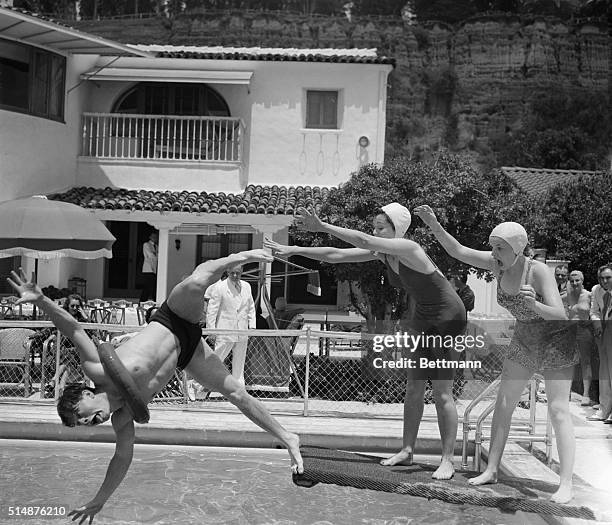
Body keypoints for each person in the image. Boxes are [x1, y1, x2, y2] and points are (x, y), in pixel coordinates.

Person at [7, 250, 303, 523]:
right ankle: (289, 438)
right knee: (236, 393)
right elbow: (122, 457)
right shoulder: (122, 419)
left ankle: (242, 256)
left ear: (85, 393)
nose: (85, 422)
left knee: (198, 280)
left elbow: (73, 328)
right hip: (188, 354)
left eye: (79, 414)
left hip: (172, 318)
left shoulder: (95, 368)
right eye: (81, 425)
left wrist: (40, 300)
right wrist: (99, 500)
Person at [265, 203, 466, 480]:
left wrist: (323, 226)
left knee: (442, 391)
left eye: (380, 228)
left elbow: (361, 239)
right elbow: (336, 254)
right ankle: (407, 450)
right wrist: (293, 250)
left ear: (397, 230)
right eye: (374, 227)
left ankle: (447, 460)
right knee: (413, 386)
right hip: (422, 315)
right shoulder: (384, 254)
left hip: (448, 315)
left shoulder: (410, 249)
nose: (374, 232)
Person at [414, 205, 577, 503]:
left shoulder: (537, 271)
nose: (493, 253)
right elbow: (458, 251)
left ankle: (566, 482)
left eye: (499, 248)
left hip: (556, 341)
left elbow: (560, 315)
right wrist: (434, 224)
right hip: (526, 338)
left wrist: (535, 306)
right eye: (492, 247)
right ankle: (491, 469)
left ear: (516, 248)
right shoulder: (497, 264)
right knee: (503, 404)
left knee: (557, 410)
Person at [206, 265, 256, 385]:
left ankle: (239, 391)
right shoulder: (219, 287)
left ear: (242, 272)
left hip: (242, 331)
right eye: (232, 273)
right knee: (216, 361)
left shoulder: (246, 286)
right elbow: (212, 311)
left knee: (239, 365)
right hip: (225, 331)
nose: (235, 276)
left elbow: (251, 307)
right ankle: (196, 385)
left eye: (237, 273)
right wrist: (211, 331)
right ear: (227, 272)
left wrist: (252, 327)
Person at [563, 270, 595, 406]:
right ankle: (566, 392)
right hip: (570, 331)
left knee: (585, 363)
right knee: (568, 362)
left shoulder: (589, 295)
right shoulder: (566, 295)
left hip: (584, 331)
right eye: (572, 280)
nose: (575, 283)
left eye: (577, 280)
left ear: (582, 280)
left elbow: (596, 311)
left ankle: (586, 394)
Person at [588, 264, 612, 423]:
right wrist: (597, 325)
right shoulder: (596, 290)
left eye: (608, 277)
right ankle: (603, 410)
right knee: (604, 373)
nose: (605, 281)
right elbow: (594, 311)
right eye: (602, 278)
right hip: (603, 333)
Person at [140, 231, 158, 302]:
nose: (155, 238)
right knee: (147, 287)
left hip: (155, 269)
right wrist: (155, 255)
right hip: (148, 269)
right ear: (150, 237)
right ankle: (142, 302)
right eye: (153, 237)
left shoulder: (157, 246)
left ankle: (155, 301)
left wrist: (155, 255)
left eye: (155, 237)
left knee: (154, 287)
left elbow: (158, 255)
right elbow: (150, 255)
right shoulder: (146, 244)